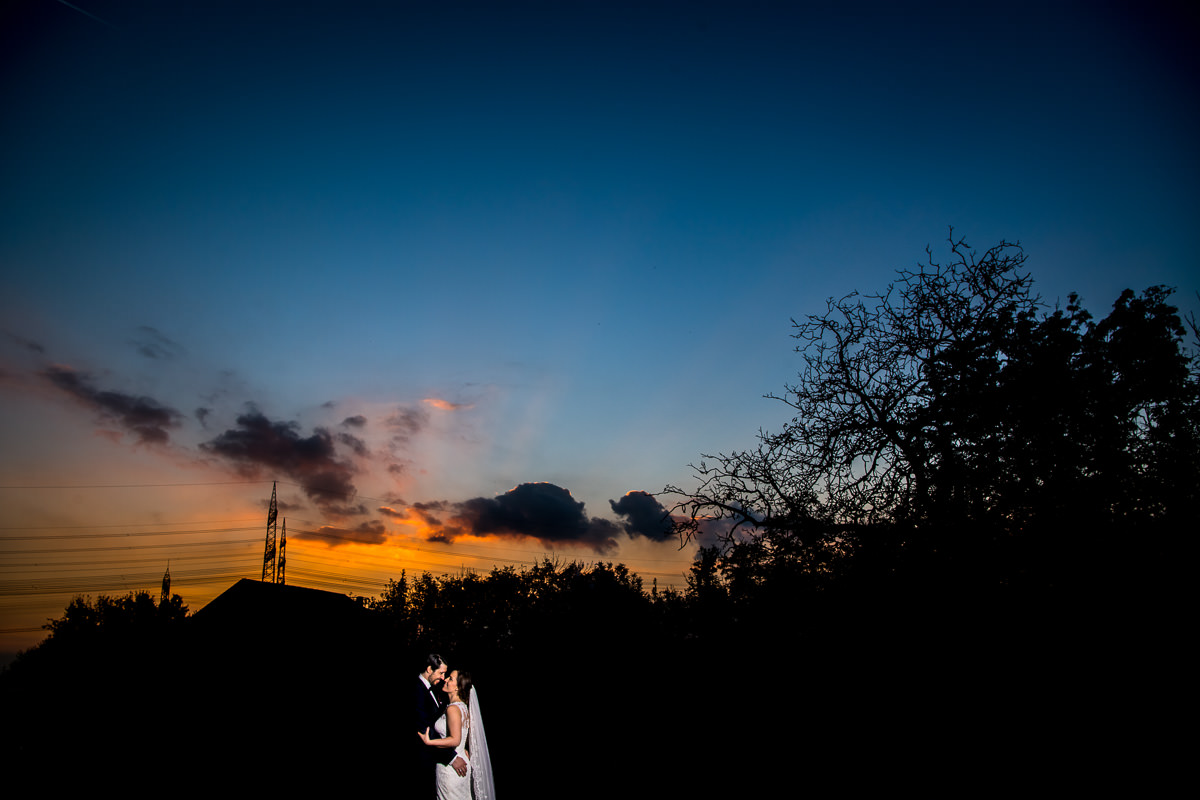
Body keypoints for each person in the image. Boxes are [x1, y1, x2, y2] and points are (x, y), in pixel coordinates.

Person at [418, 669, 495, 800]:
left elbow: (455, 740)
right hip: (460, 762)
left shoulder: (453, 709)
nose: (445, 679)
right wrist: (463, 749)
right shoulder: (463, 707)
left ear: (457, 688)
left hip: (450, 770)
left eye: (451, 679)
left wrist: (429, 741)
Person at [415, 654, 467, 797]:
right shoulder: (417, 691)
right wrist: (452, 757)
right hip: (424, 762)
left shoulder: (437, 688)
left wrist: (462, 748)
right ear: (429, 669)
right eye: (441, 673)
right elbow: (425, 729)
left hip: (439, 763)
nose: (443, 678)